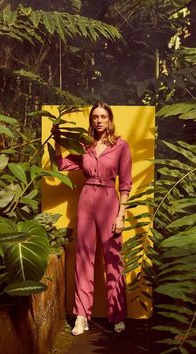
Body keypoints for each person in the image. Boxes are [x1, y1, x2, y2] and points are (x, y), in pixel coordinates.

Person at [51, 102, 132, 335]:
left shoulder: (121, 146)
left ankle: (117, 314)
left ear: (109, 119)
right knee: (83, 258)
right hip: (86, 200)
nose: (99, 120)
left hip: (109, 200)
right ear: (91, 120)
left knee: (113, 259)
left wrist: (121, 214)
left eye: (103, 116)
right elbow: (62, 163)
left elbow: (125, 183)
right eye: (95, 116)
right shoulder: (85, 146)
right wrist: (57, 139)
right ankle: (81, 316)